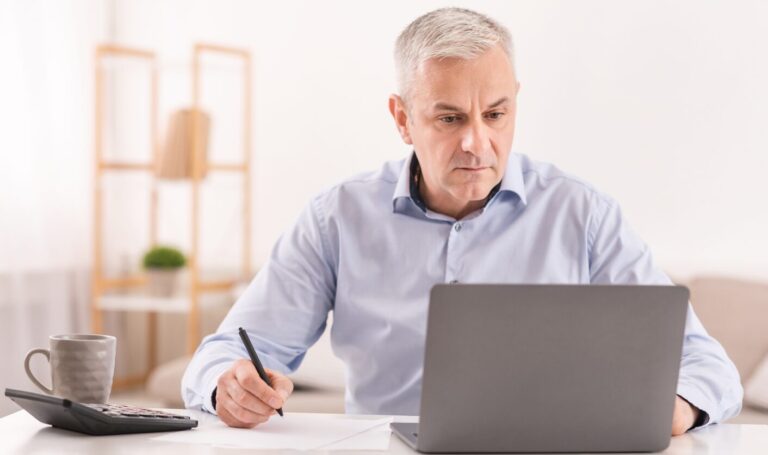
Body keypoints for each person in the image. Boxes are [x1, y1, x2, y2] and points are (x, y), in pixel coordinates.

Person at [182, 7, 742, 435]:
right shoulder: (337, 218)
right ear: (403, 118)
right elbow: (220, 355)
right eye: (449, 118)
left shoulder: (584, 215)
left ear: (515, 101)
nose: (477, 142)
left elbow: (706, 365)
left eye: (495, 114)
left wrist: (673, 409)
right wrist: (229, 385)